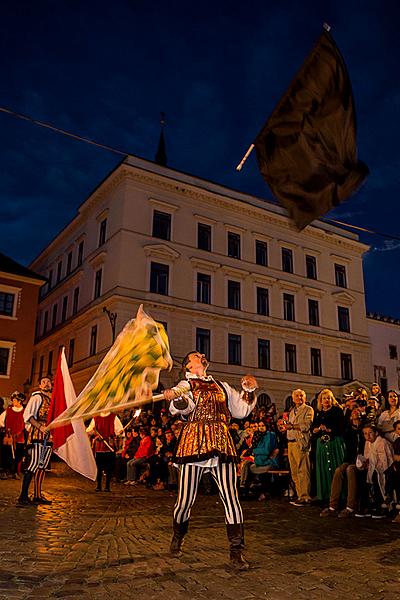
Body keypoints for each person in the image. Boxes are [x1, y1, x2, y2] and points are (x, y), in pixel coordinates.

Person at [163, 351, 257, 570]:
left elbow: (241, 410)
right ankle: (178, 535)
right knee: (185, 501)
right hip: (193, 443)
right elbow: (184, 405)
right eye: (196, 355)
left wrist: (249, 389)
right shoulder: (185, 383)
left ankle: (236, 552)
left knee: (231, 497)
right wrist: (176, 398)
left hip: (220, 442)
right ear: (189, 365)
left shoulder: (221, 386)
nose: (202, 354)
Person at [17, 377, 53, 507]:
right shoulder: (37, 397)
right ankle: (23, 496)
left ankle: (37, 495)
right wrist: (40, 427)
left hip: (49, 436)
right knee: (33, 464)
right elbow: (28, 415)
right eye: (43, 382)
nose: (46, 383)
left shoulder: (52, 398)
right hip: (38, 435)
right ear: (39, 385)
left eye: (48, 381)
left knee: (42, 466)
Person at [312, 388, 346, 505]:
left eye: (329, 398)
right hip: (322, 444)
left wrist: (329, 429)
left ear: (332, 400)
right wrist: (316, 429)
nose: (326, 400)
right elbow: (314, 428)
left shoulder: (337, 411)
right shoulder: (319, 413)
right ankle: (325, 496)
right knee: (324, 469)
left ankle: (340, 496)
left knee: (336, 468)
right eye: (324, 398)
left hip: (334, 442)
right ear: (320, 401)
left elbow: (341, 427)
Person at [285, 389, 314, 506]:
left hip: (300, 442)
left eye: (301, 395)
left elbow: (307, 425)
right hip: (291, 443)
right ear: (293, 398)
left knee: (303, 470)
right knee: (295, 471)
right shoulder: (292, 411)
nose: (299, 398)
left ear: (305, 398)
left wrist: (292, 426)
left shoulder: (308, 409)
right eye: (296, 396)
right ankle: (299, 495)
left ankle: (305, 496)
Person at [86, 412, 124, 492]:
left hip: (110, 446)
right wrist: (91, 432)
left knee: (109, 468)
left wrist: (119, 433)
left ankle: (107, 486)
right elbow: (90, 430)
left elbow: (119, 432)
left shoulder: (113, 417)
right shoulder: (96, 417)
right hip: (99, 446)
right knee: (99, 468)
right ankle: (99, 486)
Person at [0, 391, 25, 478]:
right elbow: (1, 421)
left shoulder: (25, 412)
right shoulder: (8, 410)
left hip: (19, 437)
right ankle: (5, 471)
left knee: (18, 455)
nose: (13, 401)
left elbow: (27, 424)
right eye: (13, 400)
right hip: (8, 436)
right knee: (6, 454)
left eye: (15, 400)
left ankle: (15, 472)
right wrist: (5, 429)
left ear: (20, 401)